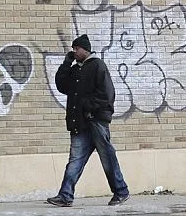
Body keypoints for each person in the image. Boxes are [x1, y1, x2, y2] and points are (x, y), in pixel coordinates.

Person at [47, 34, 130, 207]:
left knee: (107, 157)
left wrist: (87, 106)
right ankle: (65, 196)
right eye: (73, 49)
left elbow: (107, 94)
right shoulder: (75, 69)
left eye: (76, 49)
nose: (74, 51)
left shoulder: (97, 66)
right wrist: (66, 63)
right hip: (80, 123)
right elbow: (62, 85)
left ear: (85, 49)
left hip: (96, 122)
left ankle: (121, 192)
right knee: (75, 160)